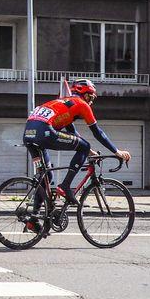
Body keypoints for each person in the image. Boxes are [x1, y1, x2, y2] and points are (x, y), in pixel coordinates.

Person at [22, 79, 131, 231]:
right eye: (92, 97)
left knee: (45, 177)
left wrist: (90, 152)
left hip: (29, 135)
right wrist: (116, 151)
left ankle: (34, 219)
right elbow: (97, 132)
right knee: (83, 146)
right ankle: (65, 186)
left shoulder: (64, 103)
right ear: (85, 95)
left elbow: (72, 133)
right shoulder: (81, 104)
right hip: (45, 132)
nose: (92, 101)